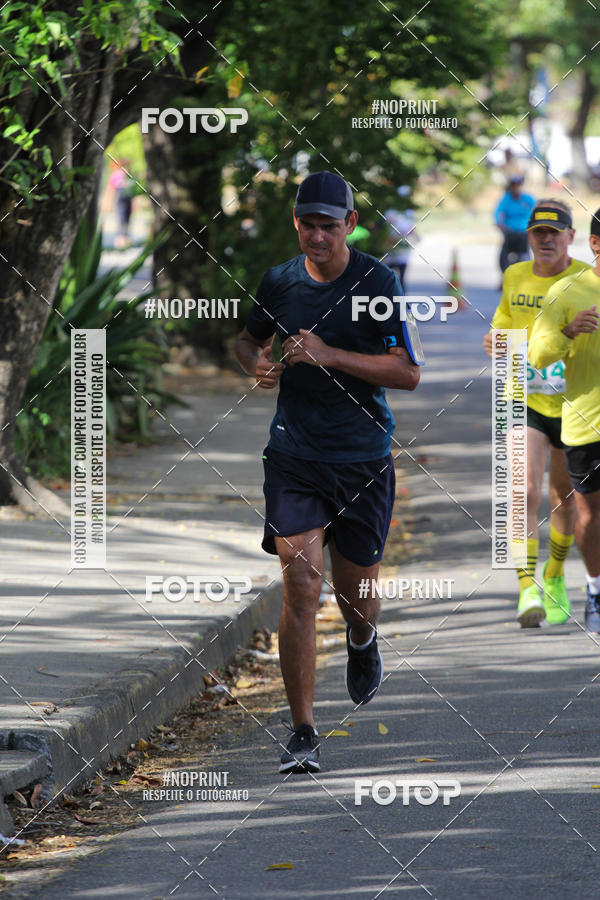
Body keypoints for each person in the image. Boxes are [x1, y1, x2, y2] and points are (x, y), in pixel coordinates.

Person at [234, 171, 422, 773]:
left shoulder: (377, 282)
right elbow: (246, 341)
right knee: (300, 586)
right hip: (294, 456)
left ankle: (363, 640)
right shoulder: (280, 282)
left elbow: (407, 373)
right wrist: (257, 365)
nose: (317, 235)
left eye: (328, 224)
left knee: (356, 592)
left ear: (349, 225)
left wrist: (330, 354)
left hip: (362, 456)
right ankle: (303, 733)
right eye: (307, 223)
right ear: (297, 223)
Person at [483, 200, 589, 627]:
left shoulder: (587, 280)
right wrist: (495, 339)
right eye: (538, 233)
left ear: (570, 237)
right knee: (522, 490)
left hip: (574, 403)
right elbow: (501, 324)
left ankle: (556, 573)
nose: (546, 240)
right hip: (522, 396)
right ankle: (528, 587)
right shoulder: (515, 276)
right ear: (528, 237)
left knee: (563, 496)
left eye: (554, 232)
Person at [529, 209, 600, 632]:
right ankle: (595, 588)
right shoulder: (567, 291)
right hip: (586, 425)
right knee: (590, 516)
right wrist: (569, 333)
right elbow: (538, 354)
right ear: (595, 244)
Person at [494, 175, 536, 274]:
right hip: (509, 231)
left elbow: (537, 210)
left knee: (524, 255)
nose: (515, 188)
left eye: (518, 186)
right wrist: (500, 224)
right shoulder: (506, 199)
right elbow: (498, 213)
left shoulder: (528, 199)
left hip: (524, 232)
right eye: (513, 186)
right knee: (504, 256)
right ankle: (504, 276)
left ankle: (525, 276)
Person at [384, 186, 418, 292]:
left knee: (401, 277)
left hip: (403, 250)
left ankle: (401, 302)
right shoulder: (391, 213)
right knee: (390, 277)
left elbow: (411, 229)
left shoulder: (409, 213)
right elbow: (386, 230)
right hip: (392, 250)